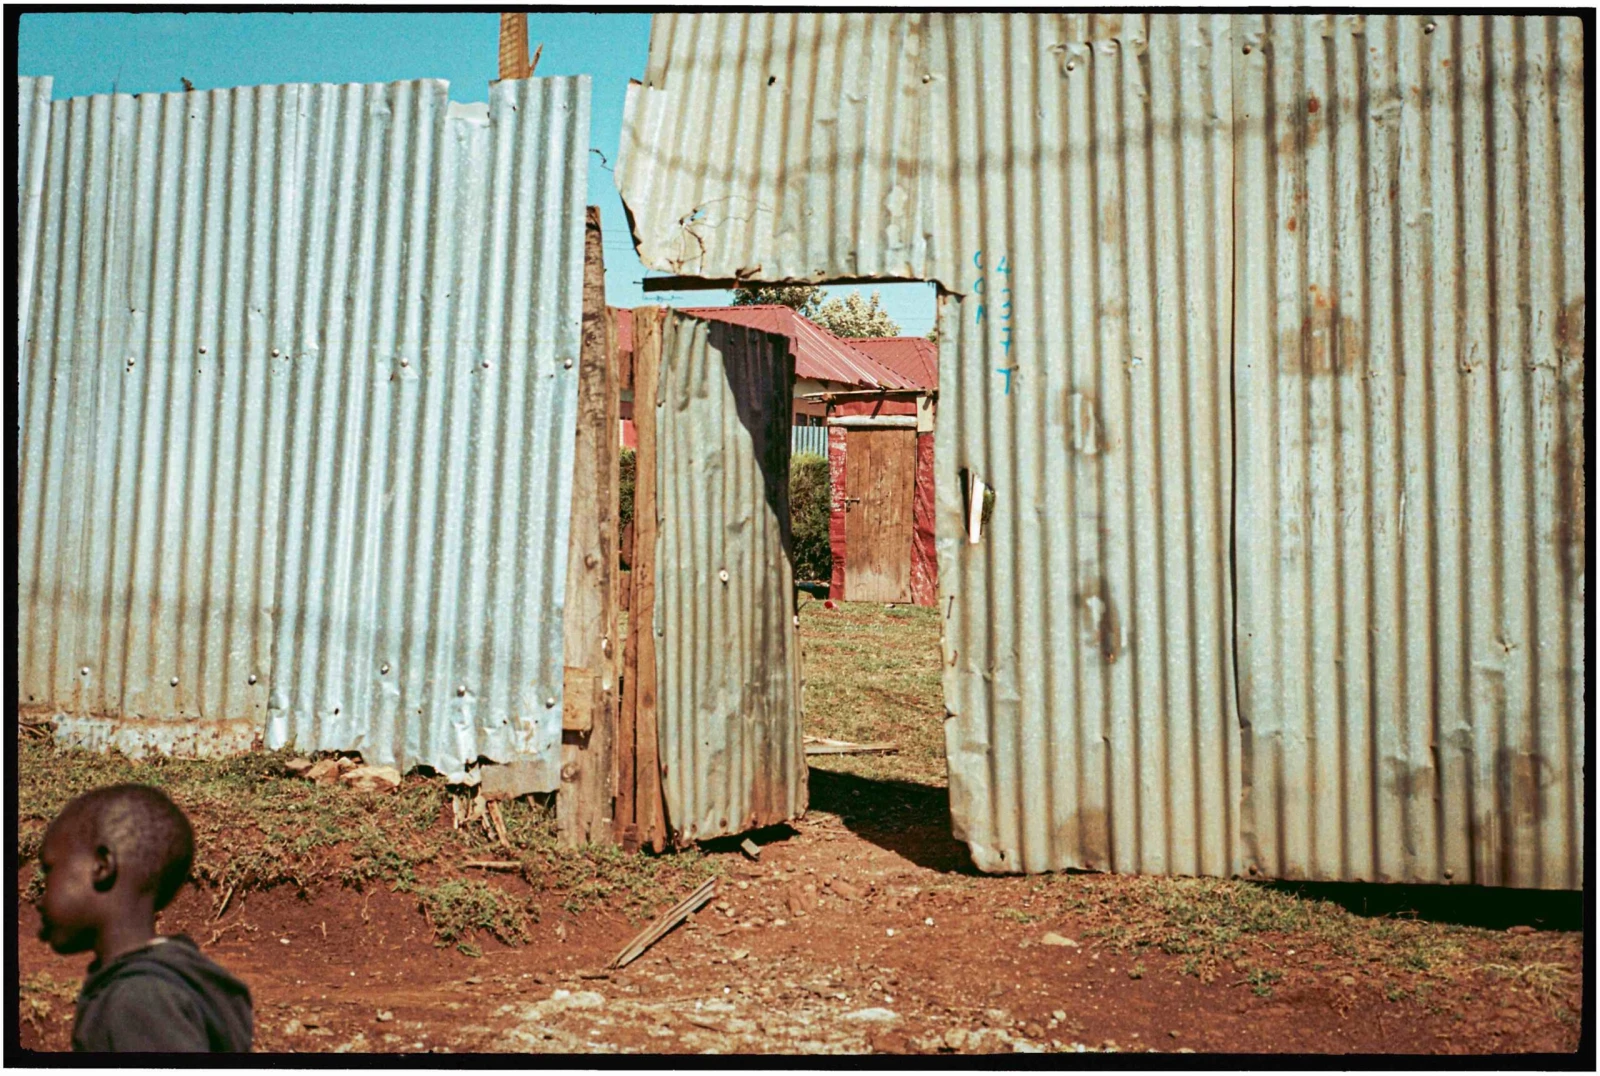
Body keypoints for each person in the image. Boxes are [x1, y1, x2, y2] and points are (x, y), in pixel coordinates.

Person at [34, 783, 253, 1052]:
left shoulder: (138, 999)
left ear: (102, 867)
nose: (40, 901)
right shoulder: (171, 978)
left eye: (49, 870)